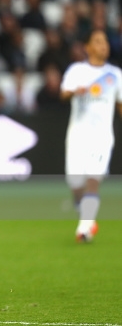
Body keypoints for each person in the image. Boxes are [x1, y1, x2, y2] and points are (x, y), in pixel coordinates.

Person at [60, 29, 122, 242]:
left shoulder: (115, 75)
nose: (103, 45)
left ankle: (84, 230)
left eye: (105, 41)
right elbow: (64, 93)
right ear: (87, 47)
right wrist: (74, 91)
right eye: (97, 41)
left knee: (93, 180)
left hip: (102, 137)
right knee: (76, 184)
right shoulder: (77, 70)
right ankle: (86, 216)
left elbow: (120, 104)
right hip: (77, 135)